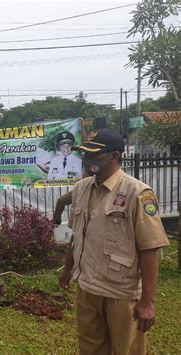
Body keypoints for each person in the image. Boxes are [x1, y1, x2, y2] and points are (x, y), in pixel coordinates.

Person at [58, 128, 169, 355]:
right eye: (86, 154)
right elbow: (77, 236)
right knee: (90, 349)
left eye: (95, 154)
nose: (88, 159)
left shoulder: (137, 193)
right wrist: (68, 268)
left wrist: (147, 303)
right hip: (87, 287)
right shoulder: (81, 188)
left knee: (126, 350)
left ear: (114, 156)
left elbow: (149, 250)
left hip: (121, 292)